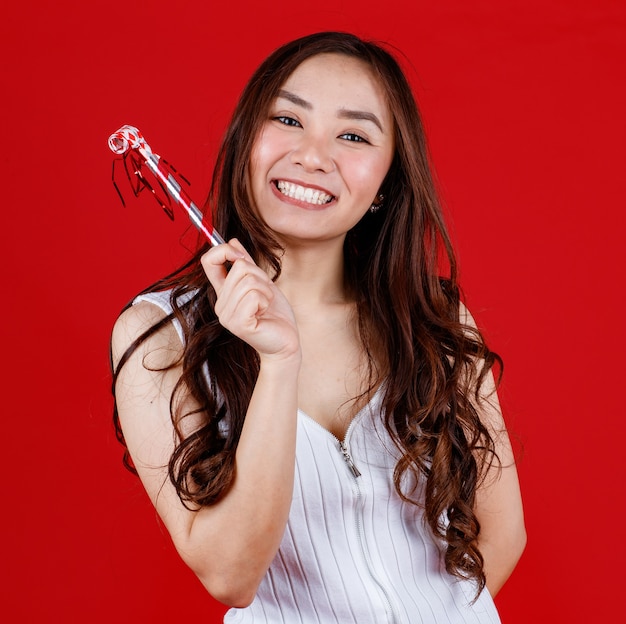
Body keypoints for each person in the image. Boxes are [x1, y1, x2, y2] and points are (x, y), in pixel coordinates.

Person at [111, 31, 526, 623]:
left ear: (386, 183)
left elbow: (501, 537)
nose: (312, 155)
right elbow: (229, 572)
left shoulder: (432, 317)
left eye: (353, 135)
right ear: (245, 140)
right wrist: (279, 362)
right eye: (287, 118)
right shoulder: (158, 339)